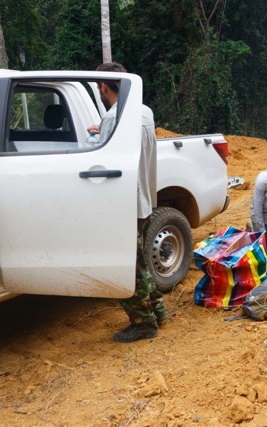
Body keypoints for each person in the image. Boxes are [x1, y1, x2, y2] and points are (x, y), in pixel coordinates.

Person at [88, 62, 165, 343]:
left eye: (99, 87)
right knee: (139, 261)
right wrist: (104, 129)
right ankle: (157, 310)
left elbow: (104, 163)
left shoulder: (113, 118)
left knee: (128, 266)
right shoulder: (144, 112)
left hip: (123, 205)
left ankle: (144, 324)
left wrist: (97, 135)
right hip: (142, 200)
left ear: (104, 87)